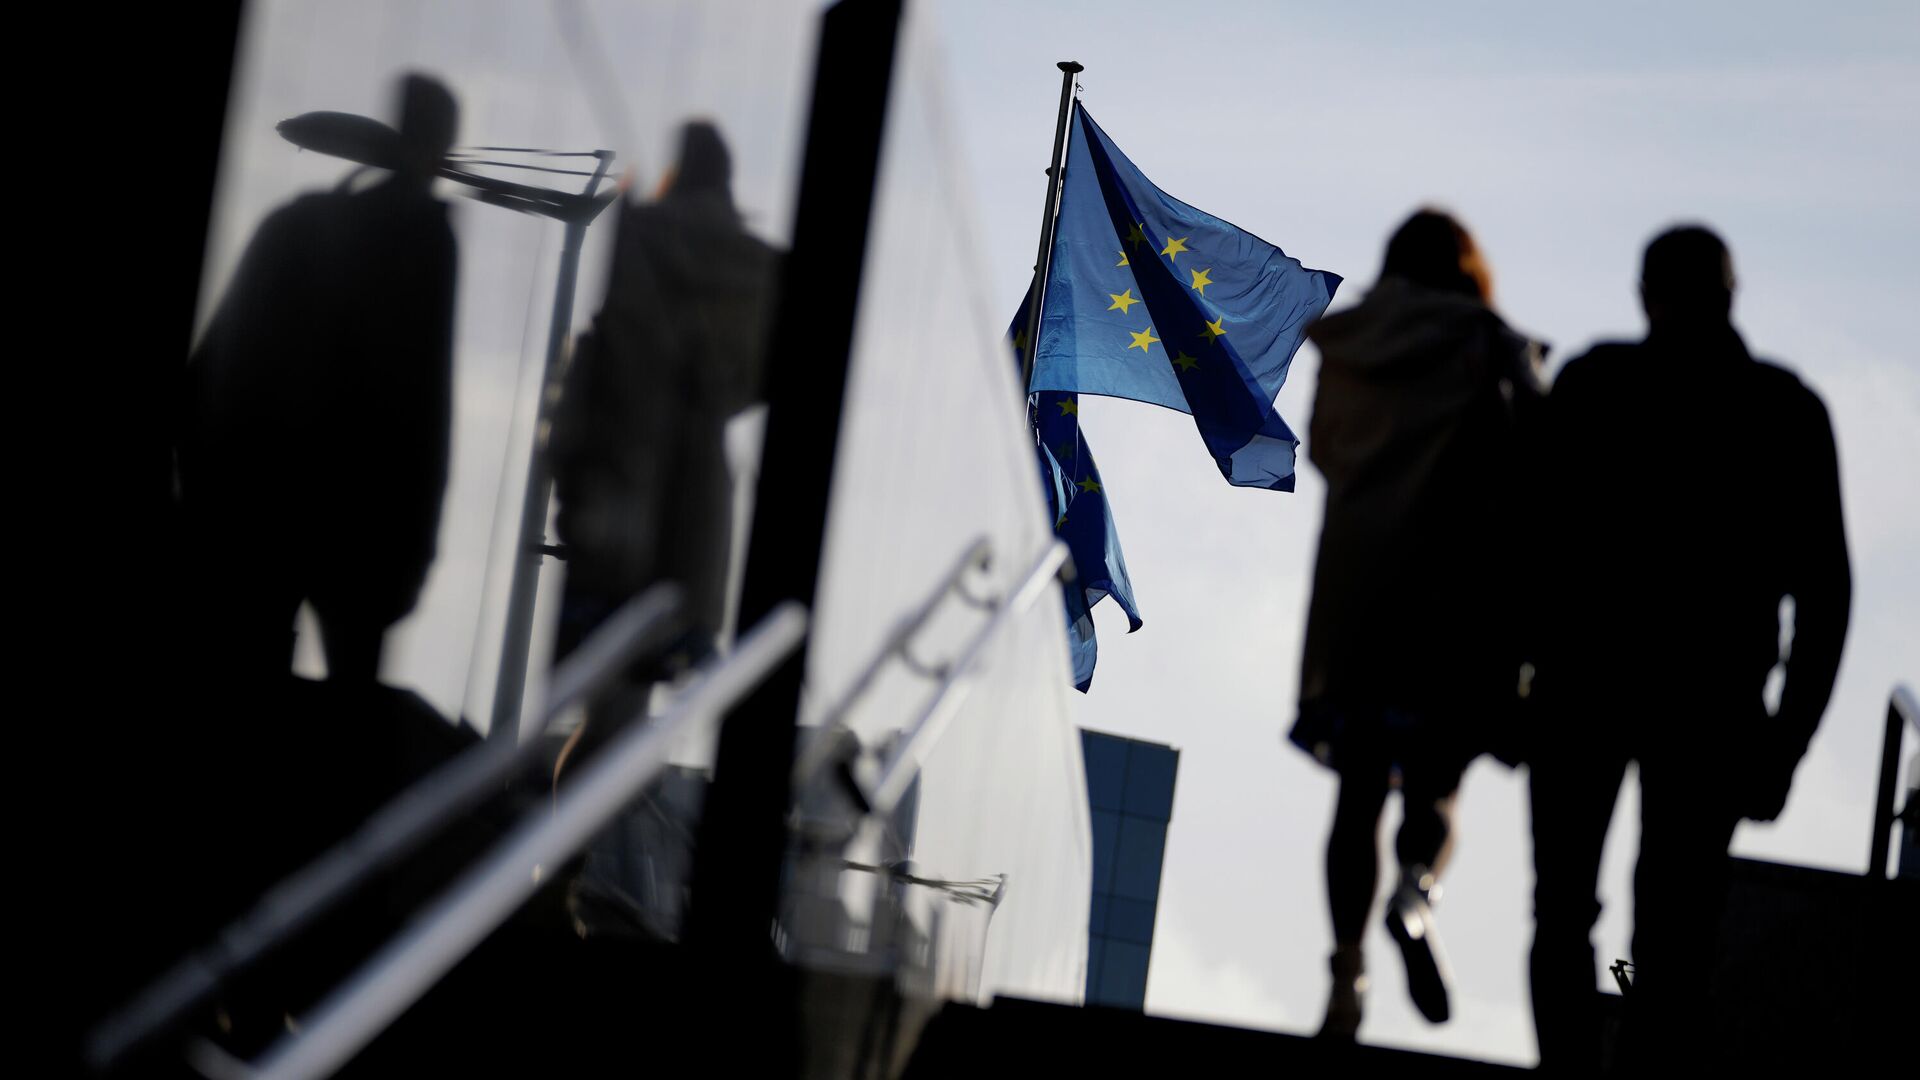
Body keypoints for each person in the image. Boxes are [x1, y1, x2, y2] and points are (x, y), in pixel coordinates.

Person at [1526, 225, 1851, 1073]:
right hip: (1713, 705)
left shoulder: (1593, 384)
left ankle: (1567, 1074)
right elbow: (1827, 599)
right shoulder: (1786, 410)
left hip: (1583, 687)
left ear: (1645, 296)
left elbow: (1528, 547)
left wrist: (1513, 683)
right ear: (1731, 296)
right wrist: (1786, 742)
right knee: (1674, 937)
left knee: (1563, 912)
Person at [1291, 208, 1545, 1040]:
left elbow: (1324, 451)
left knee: (1357, 791)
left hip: (1358, 594)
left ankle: (1345, 973)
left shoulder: (1351, 343)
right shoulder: (1490, 344)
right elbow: (1535, 457)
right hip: (1454, 599)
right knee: (1436, 782)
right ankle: (1415, 894)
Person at [178, 73, 460, 686]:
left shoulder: (296, 225)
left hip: (251, 511)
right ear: (437, 146)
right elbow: (422, 412)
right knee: (348, 705)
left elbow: (209, 373)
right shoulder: (423, 243)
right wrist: (415, 547)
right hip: (357, 529)